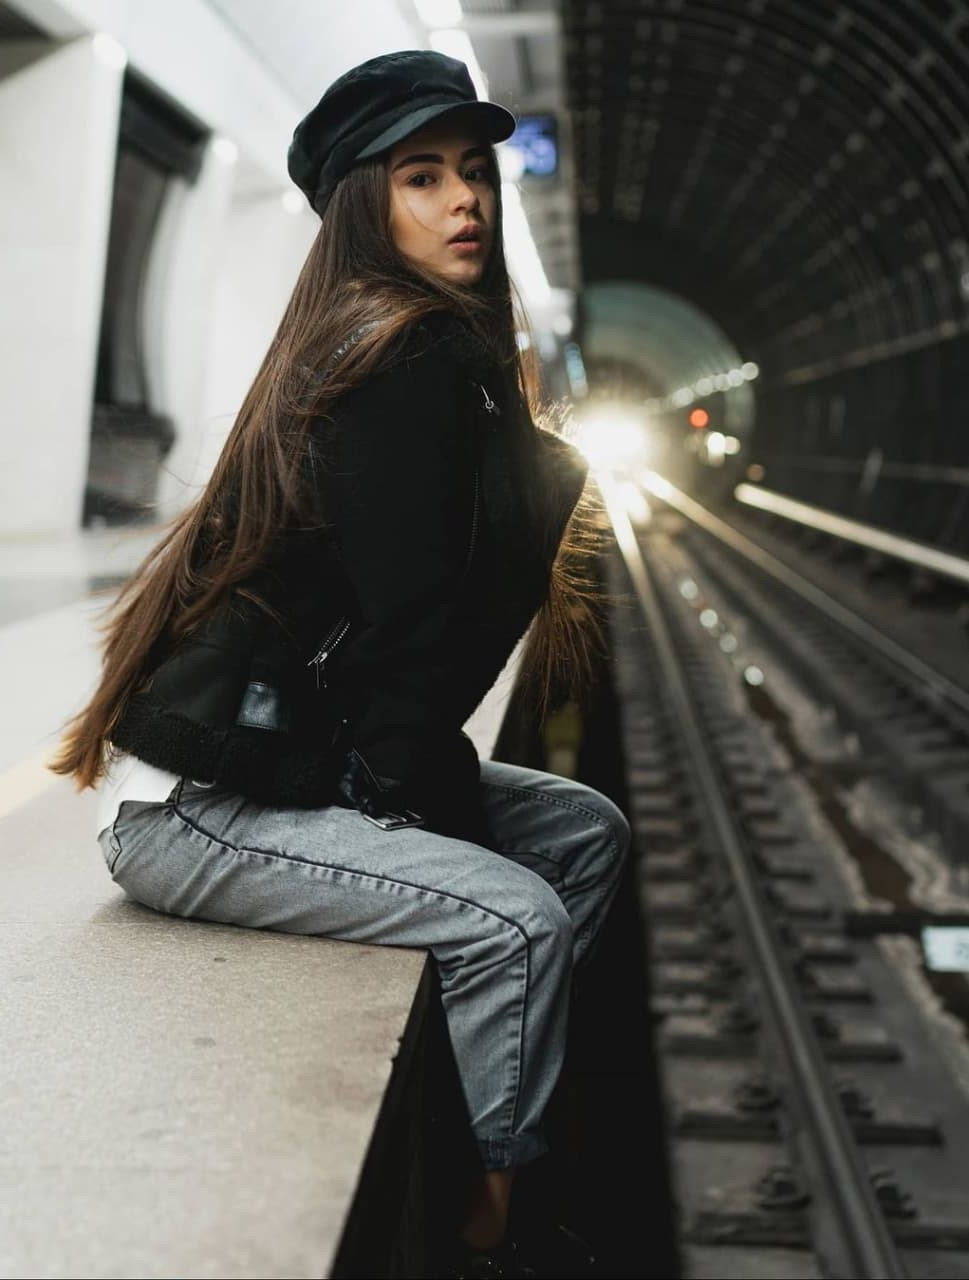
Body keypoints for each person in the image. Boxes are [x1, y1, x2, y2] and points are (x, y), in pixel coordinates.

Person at [51, 50, 629, 1280]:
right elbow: (400, 652)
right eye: (422, 177)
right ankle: (486, 1225)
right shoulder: (391, 365)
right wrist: (432, 825)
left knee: (579, 831)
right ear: (367, 207)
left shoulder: (443, 365)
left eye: (473, 172)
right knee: (515, 920)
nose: (464, 199)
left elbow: (406, 655)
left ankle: (488, 1123)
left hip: (296, 776)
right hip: (225, 818)